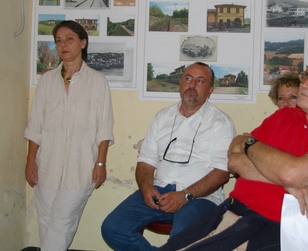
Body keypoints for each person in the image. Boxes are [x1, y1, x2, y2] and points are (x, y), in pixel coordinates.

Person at [159, 44, 308, 251]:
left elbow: (292, 172)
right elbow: (234, 160)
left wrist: (248, 142)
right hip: (234, 213)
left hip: (287, 231)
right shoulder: (284, 116)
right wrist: (288, 183)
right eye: (306, 75)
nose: (305, 84)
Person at [101, 62, 236, 251]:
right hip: (159, 190)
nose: (192, 85)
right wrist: (146, 187)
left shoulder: (221, 122)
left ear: (210, 89)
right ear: (180, 82)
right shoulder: (162, 117)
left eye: (200, 81)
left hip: (200, 198)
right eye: (188, 78)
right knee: (113, 228)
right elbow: (146, 161)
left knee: (182, 237)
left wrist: (185, 196)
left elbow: (222, 173)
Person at [24, 20, 114, 251]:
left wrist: (100, 163)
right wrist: (30, 160)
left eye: (69, 39)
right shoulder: (46, 81)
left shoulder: (97, 81)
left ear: (83, 43)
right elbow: (36, 125)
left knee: (62, 224)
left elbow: (104, 127)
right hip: (47, 167)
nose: (63, 45)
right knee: (46, 224)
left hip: (81, 167)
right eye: (58, 41)